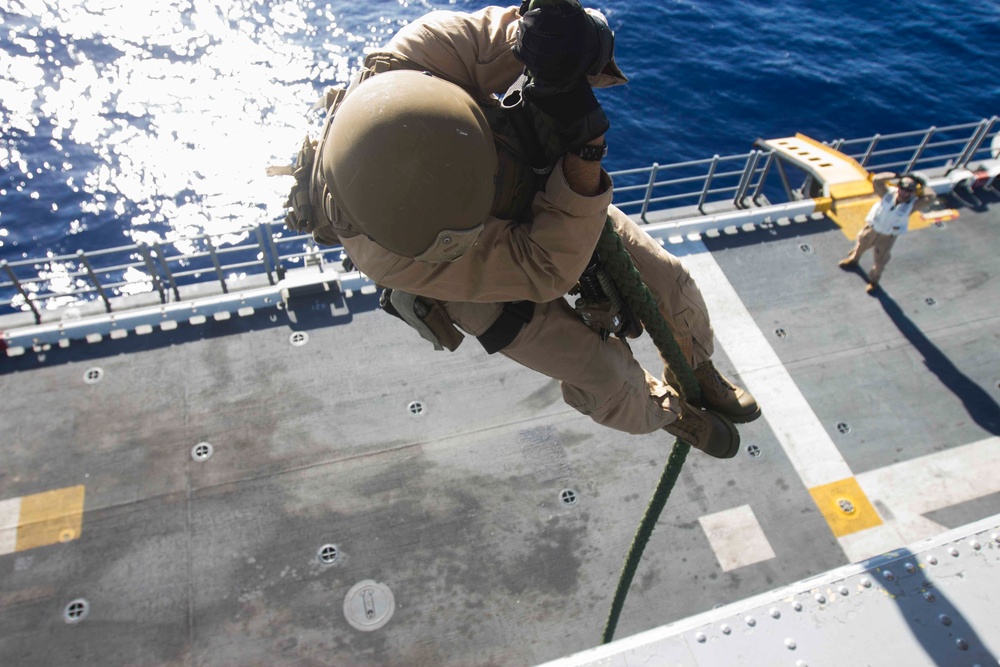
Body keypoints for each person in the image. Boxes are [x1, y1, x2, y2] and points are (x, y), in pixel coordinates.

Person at [285, 1, 760, 459]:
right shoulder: (391, 254)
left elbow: (513, 38)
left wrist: (556, 41)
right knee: (603, 376)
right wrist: (586, 149)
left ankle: (695, 369)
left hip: (526, 184)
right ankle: (665, 413)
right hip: (462, 273)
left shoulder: (420, 56)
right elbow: (545, 268)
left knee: (668, 282)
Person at [838, 172, 934, 293]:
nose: (904, 193)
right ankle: (853, 260)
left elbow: (931, 197)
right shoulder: (887, 194)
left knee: (880, 260)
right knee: (861, 244)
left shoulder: (913, 204)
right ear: (898, 187)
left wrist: (923, 183)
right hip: (873, 228)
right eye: (902, 189)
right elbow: (877, 180)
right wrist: (897, 175)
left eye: (908, 191)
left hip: (887, 236)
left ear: (913, 192)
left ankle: (874, 281)